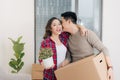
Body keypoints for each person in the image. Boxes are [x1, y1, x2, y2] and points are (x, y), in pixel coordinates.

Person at [61, 11, 114, 80]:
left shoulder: (86, 33)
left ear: (69, 22)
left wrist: (110, 68)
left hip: (90, 70)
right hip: (77, 73)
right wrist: (63, 64)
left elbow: (103, 49)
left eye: (62, 22)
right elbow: (69, 57)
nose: (61, 24)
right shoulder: (67, 38)